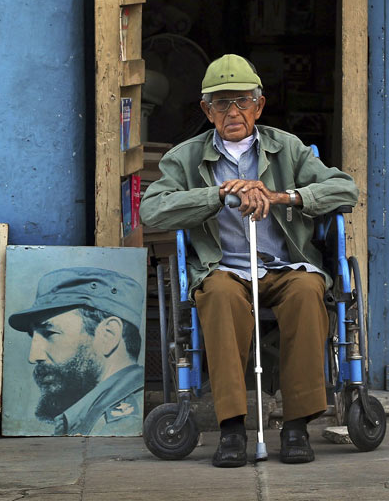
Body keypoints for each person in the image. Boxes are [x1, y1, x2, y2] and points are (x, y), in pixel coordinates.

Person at [139, 54, 358, 467]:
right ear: (207, 111)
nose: (233, 112)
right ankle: (232, 428)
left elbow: (345, 190)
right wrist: (218, 194)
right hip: (224, 268)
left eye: (241, 101)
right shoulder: (184, 158)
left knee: (310, 290)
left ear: (259, 106)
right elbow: (152, 211)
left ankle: (296, 426)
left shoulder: (288, 149)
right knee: (218, 295)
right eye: (221, 104)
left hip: (283, 265)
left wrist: (284, 196)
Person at [8, 267, 145, 435]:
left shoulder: (120, 427)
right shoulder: (89, 416)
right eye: (33, 336)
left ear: (109, 335)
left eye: (50, 333)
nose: (33, 356)